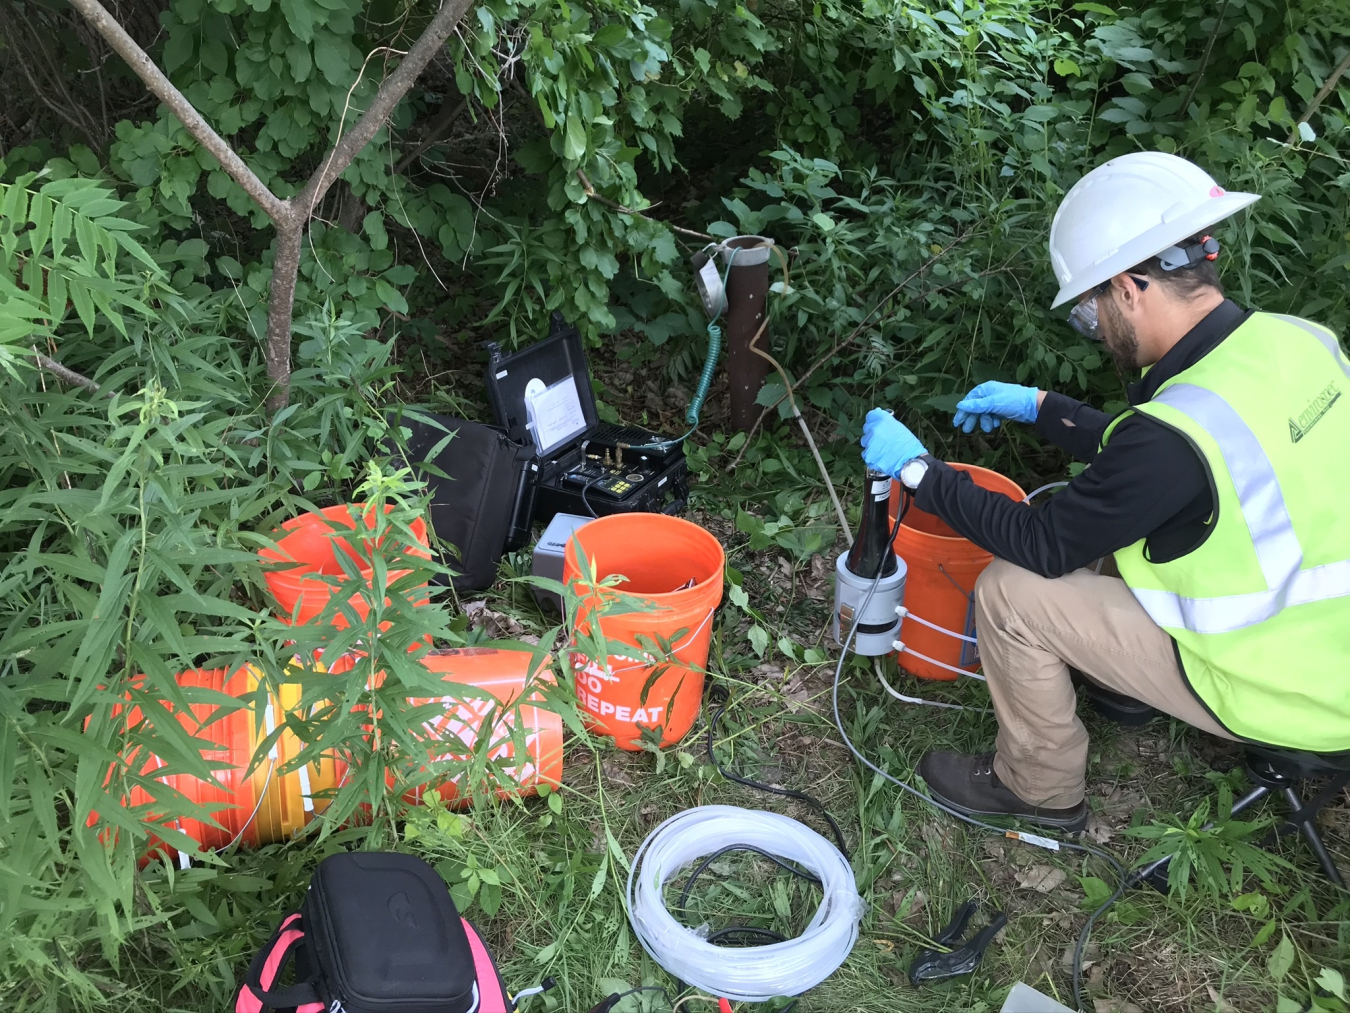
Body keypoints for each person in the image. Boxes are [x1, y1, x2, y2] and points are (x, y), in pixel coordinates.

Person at [860, 151, 1350, 833]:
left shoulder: (1174, 434)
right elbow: (1171, 455)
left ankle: (1037, 788)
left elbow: (1048, 542)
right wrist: (1040, 405)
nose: (1096, 333)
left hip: (1290, 690)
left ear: (1128, 287)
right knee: (1125, 534)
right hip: (1331, 645)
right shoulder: (1295, 342)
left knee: (1011, 591)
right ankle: (1128, 693)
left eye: (1089, 313)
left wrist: (920, 474)